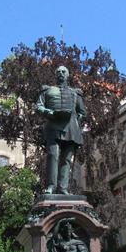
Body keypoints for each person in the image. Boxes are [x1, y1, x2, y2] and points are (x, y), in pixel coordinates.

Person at [36, 65, 86, 195]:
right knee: (53, 155)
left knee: (67, 159)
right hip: (53, 126)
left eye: (64, 71)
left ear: (67, 75)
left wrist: (75, 119)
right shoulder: (47, 91)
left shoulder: (75, 93)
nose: (61, 73)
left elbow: (82, 112)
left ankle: (63, 188)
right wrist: (50, 113)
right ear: (55, 74)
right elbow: (39, 106)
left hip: (71, 128)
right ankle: (51, 186)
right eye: (58, 71)